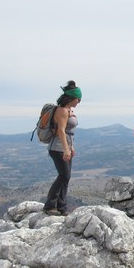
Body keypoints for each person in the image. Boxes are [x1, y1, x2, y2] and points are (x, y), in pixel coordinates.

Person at [44, 80, 82, 216]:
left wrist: (71, 147)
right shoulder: (61, 111)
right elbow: (61, 131)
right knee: (64, 175)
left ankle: (62, 207)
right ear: (72, 98)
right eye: (78, 99)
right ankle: (49, 206)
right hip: (58, 147)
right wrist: (66, 149)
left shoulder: (68, 110)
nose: (79, 101)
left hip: (65, 146)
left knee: (66, 177)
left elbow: (68, 131)